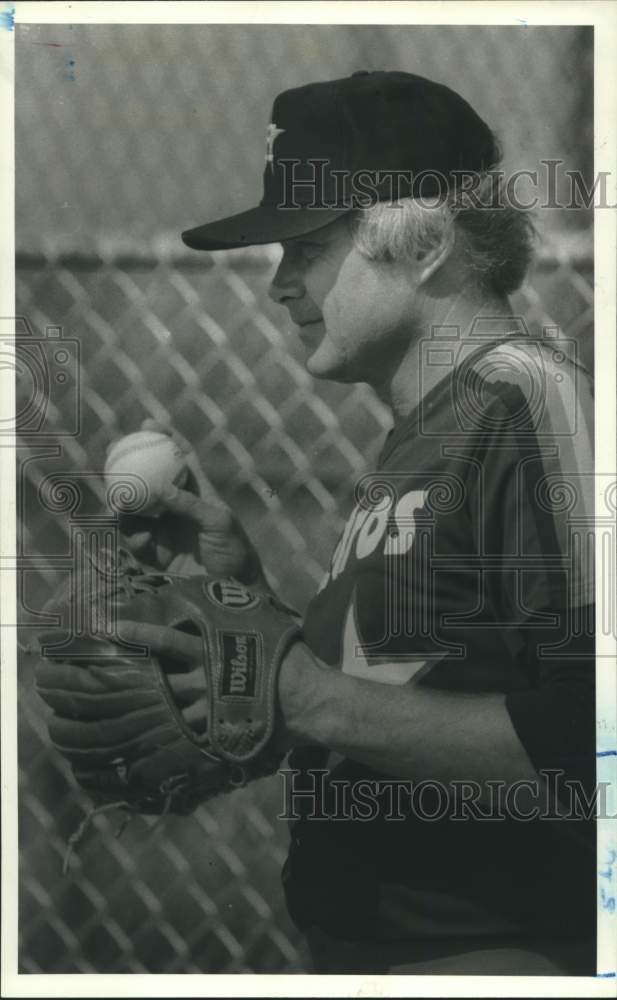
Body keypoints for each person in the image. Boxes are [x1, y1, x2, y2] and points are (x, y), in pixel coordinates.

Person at [120, 72, 596, 975]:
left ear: (422, 244)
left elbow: (598, 739)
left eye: (304, 244)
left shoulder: (531, 405)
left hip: (501, 955)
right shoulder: (426, 435)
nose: (279, 285)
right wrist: (252, 612)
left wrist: (301, 692)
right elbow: (420, 687)